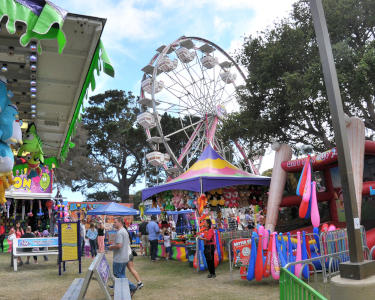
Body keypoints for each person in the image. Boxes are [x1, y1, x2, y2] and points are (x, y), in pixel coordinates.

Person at [109, 217, 137, 296]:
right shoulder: (124, 231)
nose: (114, 223)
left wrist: (111, 247)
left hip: (119, 258)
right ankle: (120, 291)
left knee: (118, 275)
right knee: (121, 275)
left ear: (120, 223)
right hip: (124, 257)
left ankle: (132, 287)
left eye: (115, 222)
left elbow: (119, 245)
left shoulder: (120, 232)